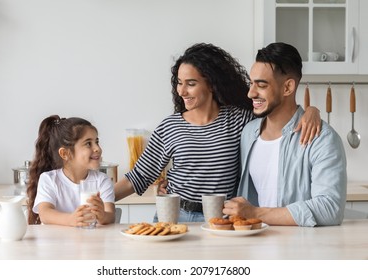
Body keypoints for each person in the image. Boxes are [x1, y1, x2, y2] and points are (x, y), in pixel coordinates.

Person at [114, 43, 321, 223]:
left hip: (221, 219)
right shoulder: (170, 127)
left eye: (191, 84)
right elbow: (138, 177)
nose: (181, 91)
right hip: (174, 215)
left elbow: (278, 116)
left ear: (212, 84)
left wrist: (312, 111)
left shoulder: (240, 120)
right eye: (179, 82)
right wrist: (95, 200)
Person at [223, 42, 347, 227]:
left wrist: (255, 213)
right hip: (255, 245)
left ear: (288, 87)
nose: (250, 93)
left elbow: (330, 208)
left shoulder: (322, 138)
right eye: (251, 83)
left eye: (261, 85)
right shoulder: (248, 133)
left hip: (300, 249)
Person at [27, 115, 115, 226]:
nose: (97, 148)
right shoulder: (49, 179)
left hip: (91, 242)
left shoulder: (102, 180)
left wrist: (103, 216)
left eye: (96, 141)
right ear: (65, 154)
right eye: (88, 143)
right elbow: (45, 214)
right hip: (56, 242)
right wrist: (71, 220)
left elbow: (110, 216)